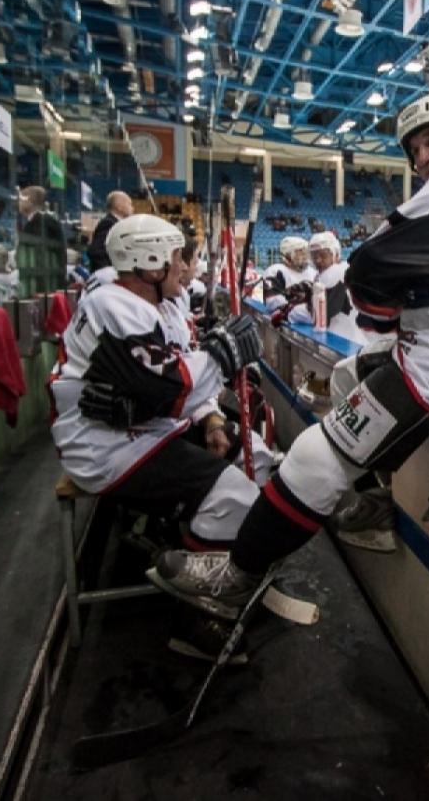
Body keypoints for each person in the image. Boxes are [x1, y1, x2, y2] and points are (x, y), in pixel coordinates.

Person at [146, 92, 429, 617]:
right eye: (415, 149)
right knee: (347, 374)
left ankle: (236, 576)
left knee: (316, 455)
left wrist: (390, 316)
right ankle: (375, 504)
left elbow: (366, 274)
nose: (423, 157)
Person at [49, 213, 267, 574]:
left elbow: (175, 387)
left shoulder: (160, 307)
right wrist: (223, 355)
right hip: (106, 447)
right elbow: (173, 387)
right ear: (152, 266)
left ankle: (192, 537)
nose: (184, 267)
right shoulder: (112, 306)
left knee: (254, 454)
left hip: (146, 430)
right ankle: (210, 588)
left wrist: (211, 417)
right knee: (233, 496)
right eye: (178, 257)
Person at [281, 231, 365, 345]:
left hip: (343, 340)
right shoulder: (325, 274)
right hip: (342, 336)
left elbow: (321, 312)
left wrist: (290, 313)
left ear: (335, 254)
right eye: (314, 256)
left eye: (323, 255)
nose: (318, 260)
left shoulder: (335, 272)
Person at [17, 185, 66, 297]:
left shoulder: (41, 223)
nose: (18, 203)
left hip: (42, 288)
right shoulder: (45, 221)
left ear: (29, 200)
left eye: (21, 199)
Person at [261, 236, 315, 310]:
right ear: (288, 255)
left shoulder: (313, 272)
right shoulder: (275, 271)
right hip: (287, 318)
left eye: (305, 252)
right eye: (300, 252)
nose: (305, 256)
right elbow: (272, 302)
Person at [86, 190, 133, 271]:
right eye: (129, 204)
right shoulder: (109, 223)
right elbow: (96, 251)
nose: (132, 208)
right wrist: (108, 271)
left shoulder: (115, 223)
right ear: (119, 207)